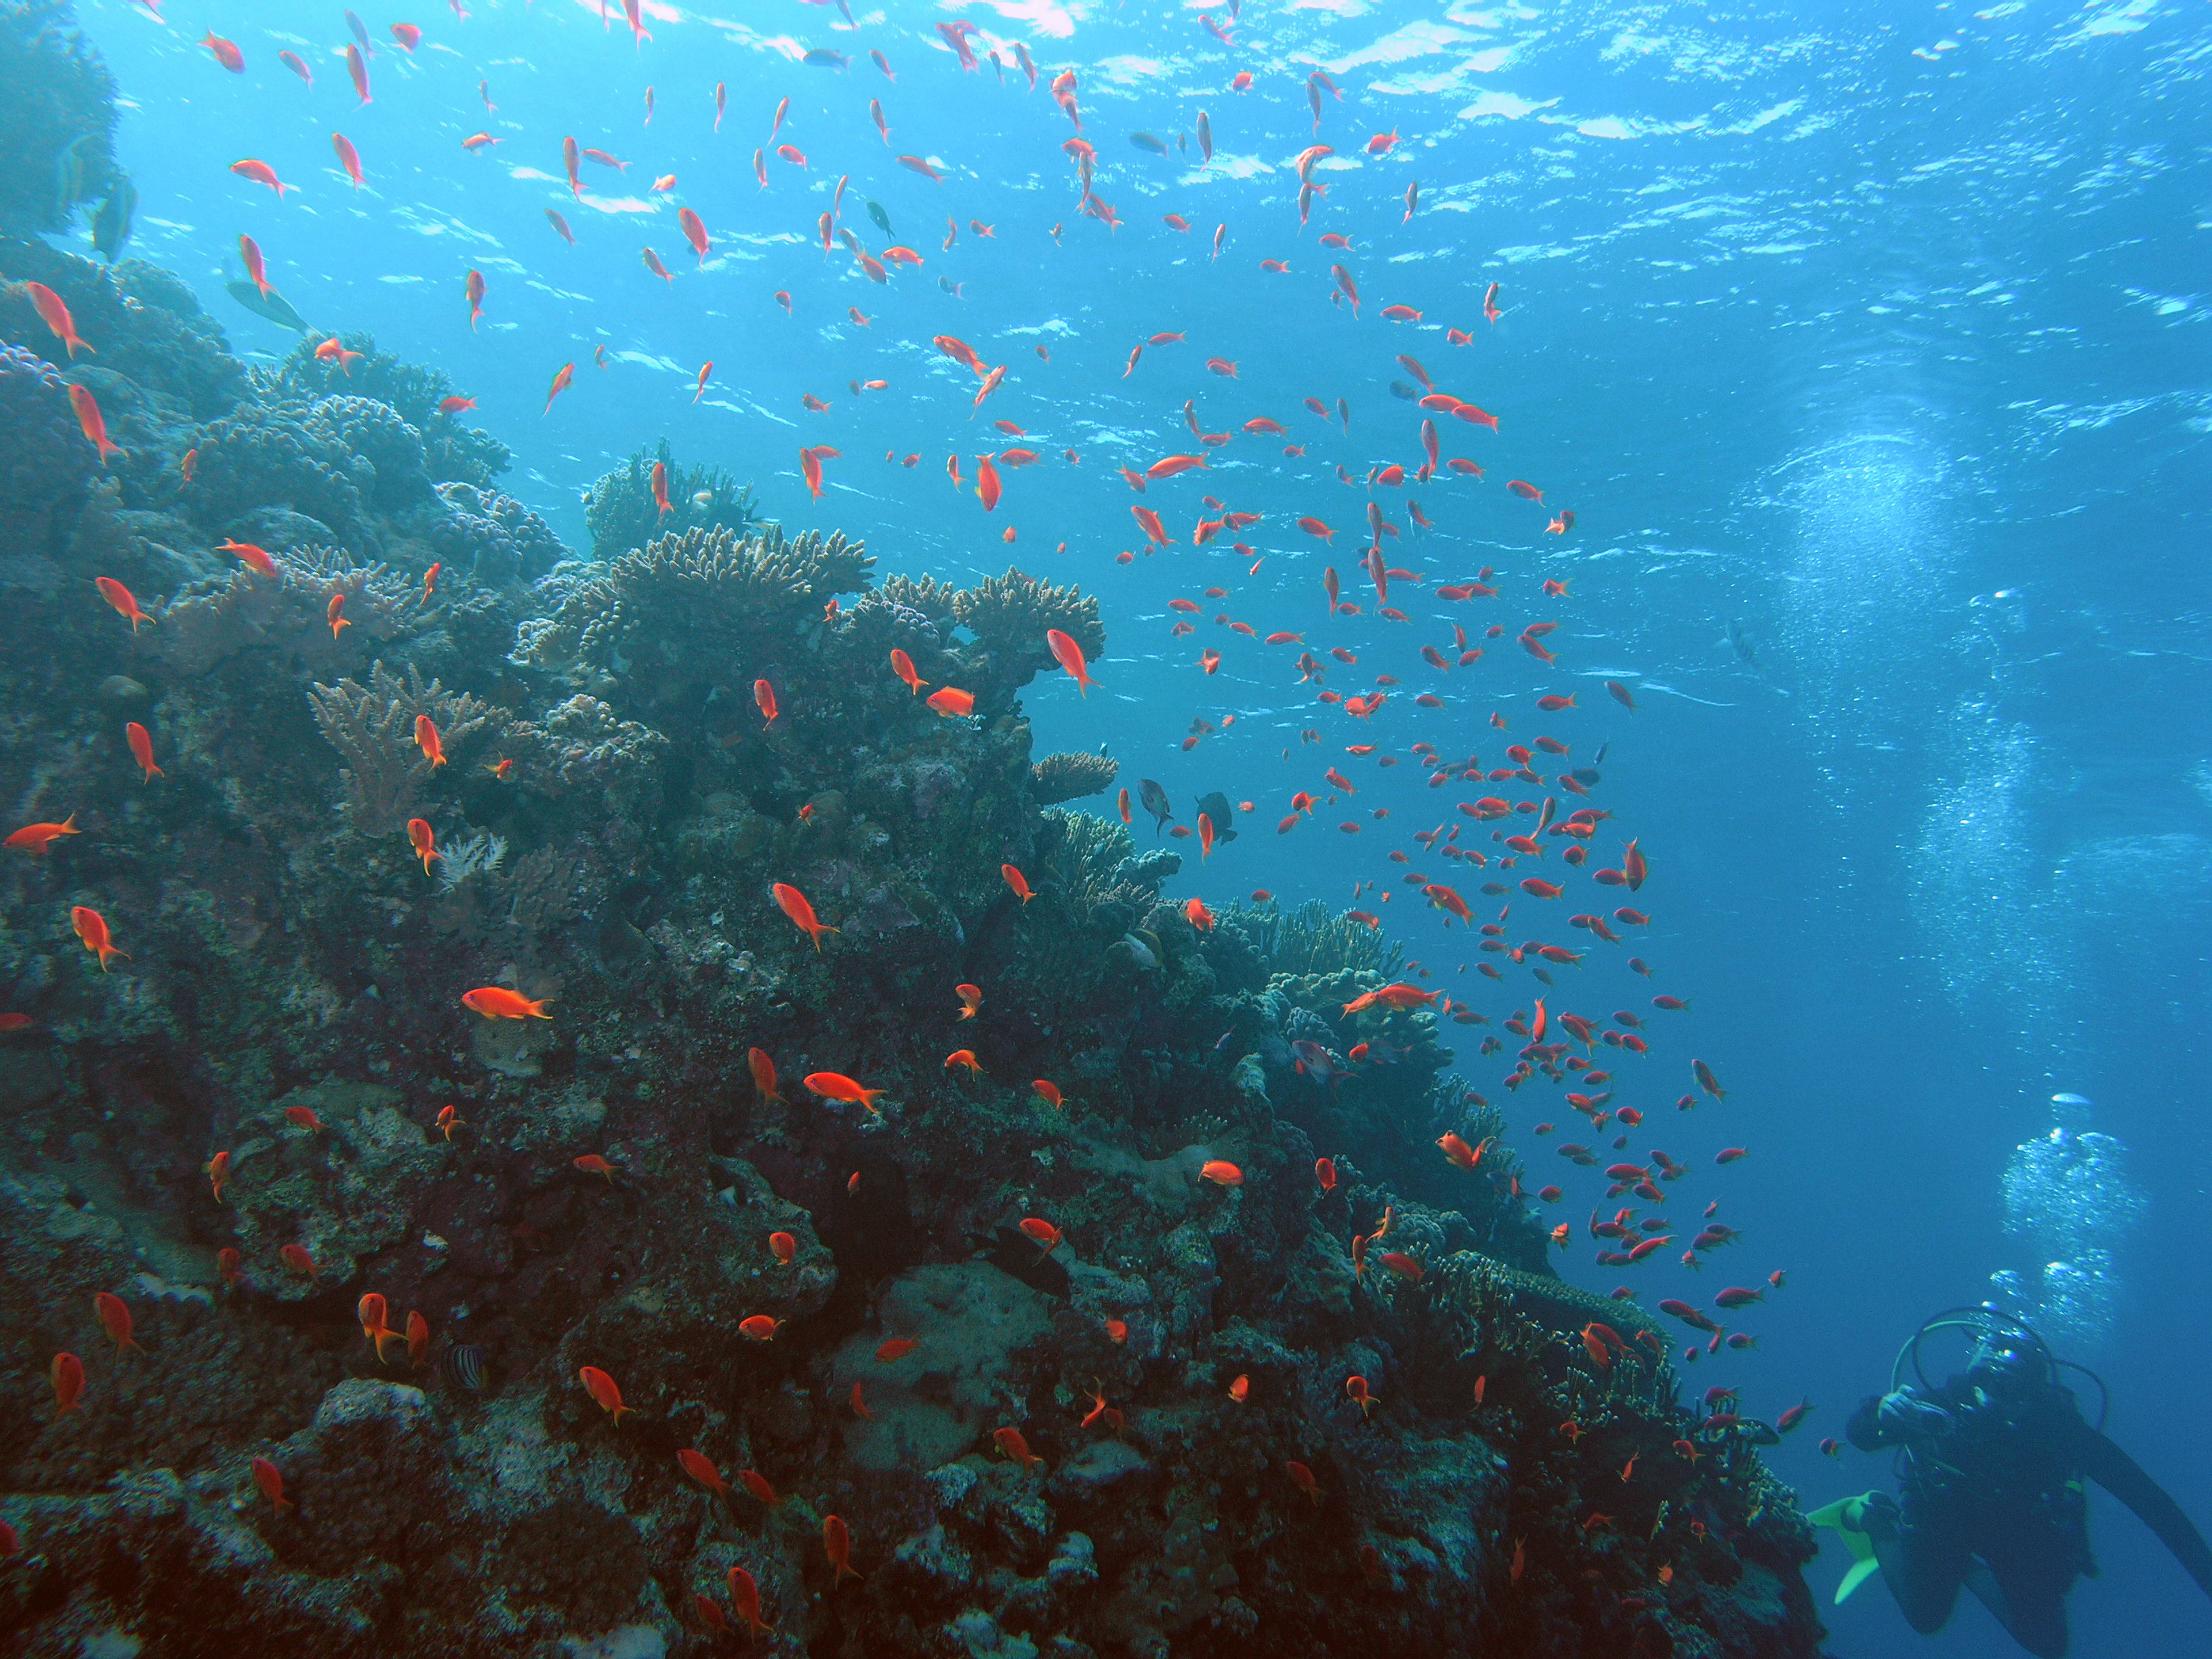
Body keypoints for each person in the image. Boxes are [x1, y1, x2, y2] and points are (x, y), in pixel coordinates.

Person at [1812, 1309, 2212, 1658]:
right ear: (1975, 1376)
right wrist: (1883, 1414)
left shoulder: (2060, 1429)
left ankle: (1964, 1568)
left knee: (2049, 1645)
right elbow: (1861, 1436)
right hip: (1945, 1516)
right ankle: (1871, 1514)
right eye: (1987, 1381)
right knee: (1926, 1620)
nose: (1994, 1399)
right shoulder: (1950, 1405)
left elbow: (2155, 1507)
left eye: (2013, 1389)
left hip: (2015, 1530)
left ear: (2035, 1393)